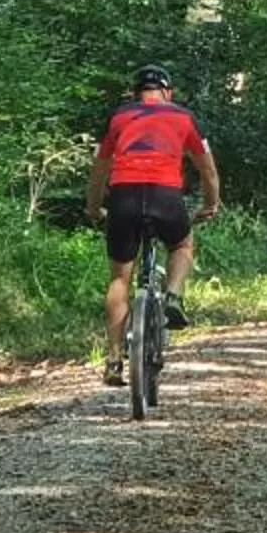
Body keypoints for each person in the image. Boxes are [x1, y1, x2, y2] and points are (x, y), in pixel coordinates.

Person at [83, 65, 221, 380]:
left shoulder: (118, 117)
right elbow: (208, 171)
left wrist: (93, 208)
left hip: (124, 198)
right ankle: (173, 295)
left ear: (136, 94)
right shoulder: (184, 118)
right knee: (182, 244)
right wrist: (210, 205)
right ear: (167, 92)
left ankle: (114, 360)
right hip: (165, 196)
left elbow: (99, 171)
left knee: (120, 279)